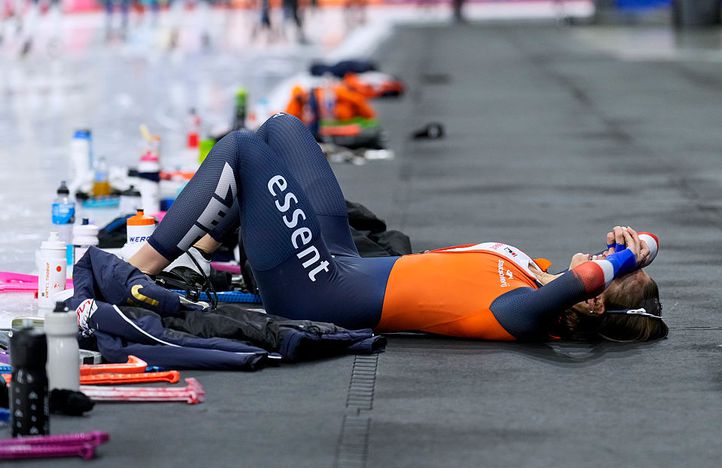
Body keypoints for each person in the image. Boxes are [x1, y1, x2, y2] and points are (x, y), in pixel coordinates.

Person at [129, 113, 668, 343]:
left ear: (595, 297)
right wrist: (640, 250)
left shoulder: (521, 316)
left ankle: (128, 273)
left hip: (319, 289)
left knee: (243, 148)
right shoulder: (532, 279)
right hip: (342, 258)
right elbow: (624, 257)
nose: (601, 249)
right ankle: (200, 247)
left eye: (606, 260)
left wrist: (626, 257)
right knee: (282, 129)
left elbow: (585, 280)